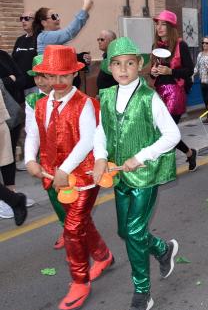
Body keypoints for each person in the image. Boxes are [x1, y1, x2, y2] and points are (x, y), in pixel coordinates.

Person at [93, 37, 181, 310]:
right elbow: (102, 131)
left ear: (139, 65)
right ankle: (163, 249)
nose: (122, 69)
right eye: (117, 64)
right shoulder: (106, 96)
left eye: (129, 63)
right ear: (110, 67)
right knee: (125, 230)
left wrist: (141, 156)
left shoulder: (148, 98)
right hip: (120, 177)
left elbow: (173, 135)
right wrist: (99, 157)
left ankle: (142, 291)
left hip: (144, 176)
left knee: (133, 230)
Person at [24, 45, 112, 310]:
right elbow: (33, 134)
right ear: (45, 77)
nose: (59, 82)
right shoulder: (41, 104)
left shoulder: (85, 103)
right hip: (54, 175)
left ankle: (80, 281)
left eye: (64, 75)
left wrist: (66, 168)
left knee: (72, 228)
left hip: (82, 176)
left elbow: (87, 140)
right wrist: (29, 158)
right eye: (53, 76)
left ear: (75, 75)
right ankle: (103, 255)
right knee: (81, 221)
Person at [22, 55, 65, 247]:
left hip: (68, 154)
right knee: (53, 195)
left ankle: (76, 229)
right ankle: (67, 227)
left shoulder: (65, 94)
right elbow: (30, 130)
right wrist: (31, 157)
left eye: (44, 76)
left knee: (71, 194)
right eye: (36, 77)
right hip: (46, 156)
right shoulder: (32, 99)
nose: (40, 81)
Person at [150, 10, 197, 171]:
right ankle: (190, 153)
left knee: (166, 131)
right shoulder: (155, 46)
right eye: (158, 24)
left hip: (175, 93)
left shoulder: (180, 44)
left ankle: (166, 167)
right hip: (159, 93)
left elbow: (190, 70)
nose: (159, 27)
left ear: (170, 27)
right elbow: (152, 70)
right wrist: (153, 72)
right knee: (165, 131)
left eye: (163, 24)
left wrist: (171, 72)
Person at [0, 48, 27, 218]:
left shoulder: (3, 56)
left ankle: (13, 199)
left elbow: (21, 78)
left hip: (7, 117)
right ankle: (13, 199)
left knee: (6, 160)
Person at [11, 11, 37, 93]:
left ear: (36, 21)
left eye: (26, 18)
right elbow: (13, 61)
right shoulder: (20, 40)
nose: (23, 21)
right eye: (21, 18)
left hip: (36, 85)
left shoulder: (40, 38)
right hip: (21, 87)